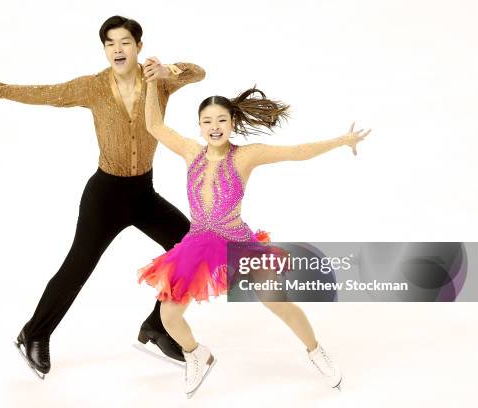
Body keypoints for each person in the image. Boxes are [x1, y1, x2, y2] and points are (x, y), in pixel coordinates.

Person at [0, 16, 205, 380]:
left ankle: (158, 326)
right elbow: (45, 93)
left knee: (195, 247)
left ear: (139, 46)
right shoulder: (93, 87)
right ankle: (34, 334)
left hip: (143, 193)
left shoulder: (159, 82)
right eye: (110, 43)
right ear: (104, 48)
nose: (118, 49)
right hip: (105, 195)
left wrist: (169, 70)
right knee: (77, 267)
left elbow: (199, 72)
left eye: (125, 42)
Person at [137, 58, 371, 397]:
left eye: (221, 120)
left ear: (232, 123)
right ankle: (196, 354)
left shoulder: (246, 156)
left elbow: (298, 152)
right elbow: (155, 126)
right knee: (169, 315)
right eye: (207, 121)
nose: (214, 126)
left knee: (278, 302)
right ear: (199, 126)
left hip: (237, 243)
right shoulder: (191, 151)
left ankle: (316, 351)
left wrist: (342, 140)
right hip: (199, 244)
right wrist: (149, 84)